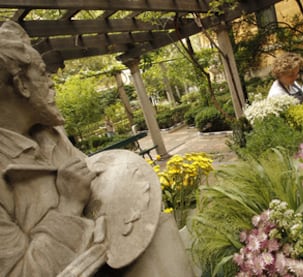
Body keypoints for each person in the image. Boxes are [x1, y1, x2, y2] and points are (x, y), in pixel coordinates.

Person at [0, 21, 194, 277]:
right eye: (43, 73)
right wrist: (68, 205)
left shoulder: (51, 134)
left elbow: (99, 194)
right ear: (22, 85)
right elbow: (20, 272)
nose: (52, 83)